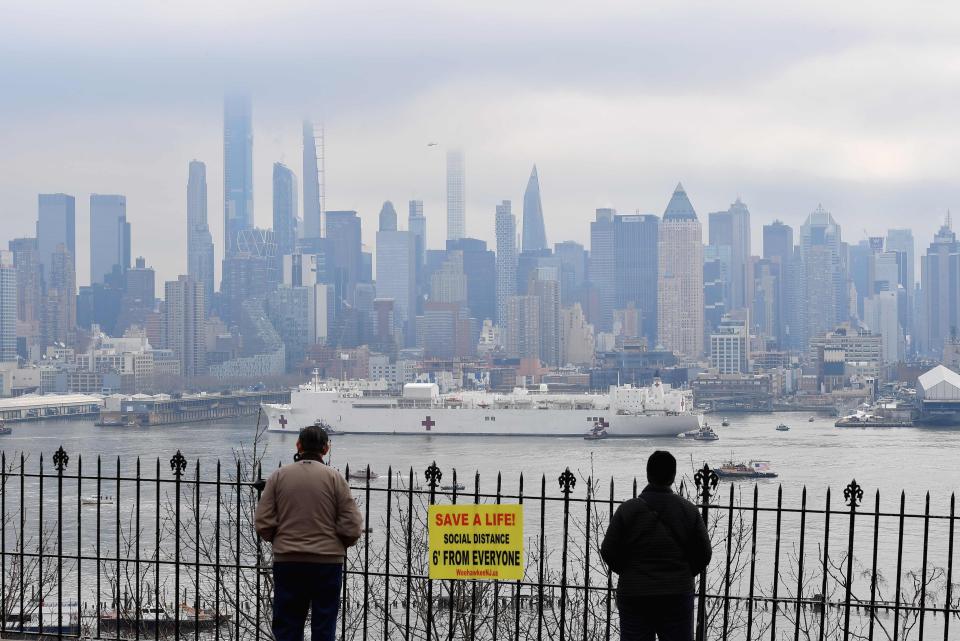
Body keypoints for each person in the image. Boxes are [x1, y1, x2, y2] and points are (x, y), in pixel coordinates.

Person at [255, 424, 364, 641]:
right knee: (324, 627)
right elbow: (352, 526)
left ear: (298, 445)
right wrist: (338, 543)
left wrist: (280, 540)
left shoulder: (278, 477)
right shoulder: (335, 479)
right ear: (326, 449)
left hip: (288, 562)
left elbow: (263, 522)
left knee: (287, 627)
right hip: (327, 564)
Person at [600, 450, 712, 641]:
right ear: (673, 476)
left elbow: (608, 550)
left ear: (647, 474)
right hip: (676, 592)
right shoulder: (689, 511)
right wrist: (682, 572)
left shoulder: (627, 510)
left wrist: (629, 571)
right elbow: (704, 554)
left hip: (634, 591)